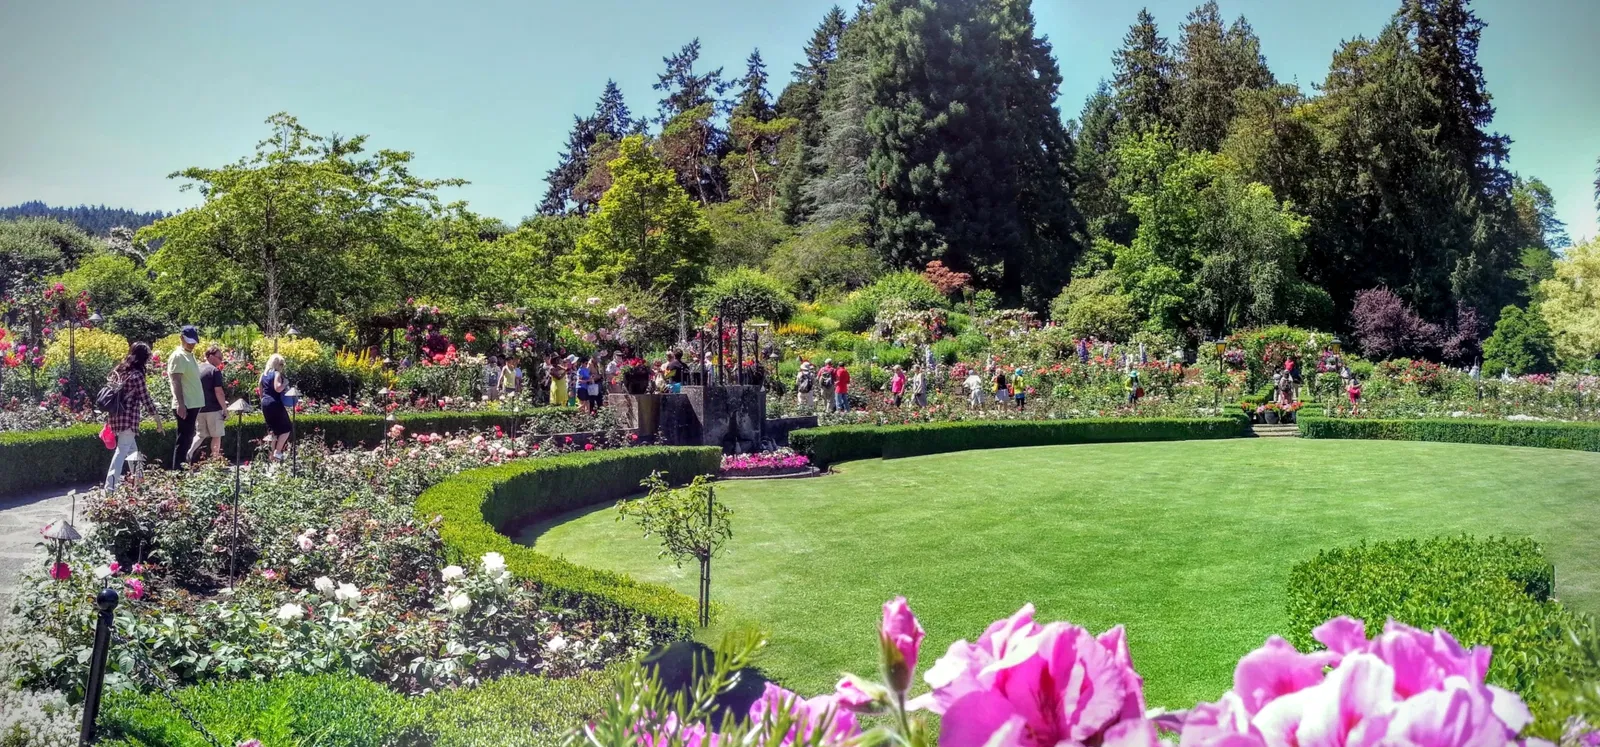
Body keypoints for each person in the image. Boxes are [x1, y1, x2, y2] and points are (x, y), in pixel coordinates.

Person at [105, 342, 164, 492]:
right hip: (129, 419)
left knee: (132, 451)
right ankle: (110, 488)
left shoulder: (119, 370)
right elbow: (146, 399)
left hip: (116, 417)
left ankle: (140, 483)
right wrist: (158, 421)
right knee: (122, 452)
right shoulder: (136, 375)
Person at [167, 325, 204, 468]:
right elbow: (176, 380)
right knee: (183, 440)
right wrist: (180, 404)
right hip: (186, 404)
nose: (192, 344)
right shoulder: (178, 355)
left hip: (193, 403)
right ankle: (178, 472)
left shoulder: (189, 354)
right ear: (181, 338)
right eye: (189, 341)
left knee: (187, 438)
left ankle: (182, 469)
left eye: (194, 341)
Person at [186, 345, 228, 463]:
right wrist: (224, 409)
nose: (221, 360)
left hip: (199, 408)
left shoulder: (196, 369)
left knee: (200, 435)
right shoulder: (214, 371)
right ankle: (214, 463)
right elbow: (219, 392)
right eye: (219, 357)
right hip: (214, 409)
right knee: (216, 435)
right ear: (210, 356)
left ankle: (189, 453)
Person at [260, 354, 293, 460]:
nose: (282, 367)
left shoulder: (263, 375)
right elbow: (278, 388)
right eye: (281, 364)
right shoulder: (276, 374)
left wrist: (264, 401)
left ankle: (271, 457)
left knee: (272, 431)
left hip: (265, 403)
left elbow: (260, 391)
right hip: (275, 402)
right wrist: (285, 384)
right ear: (277, 364)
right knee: (287, 428)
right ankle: (277, 452)